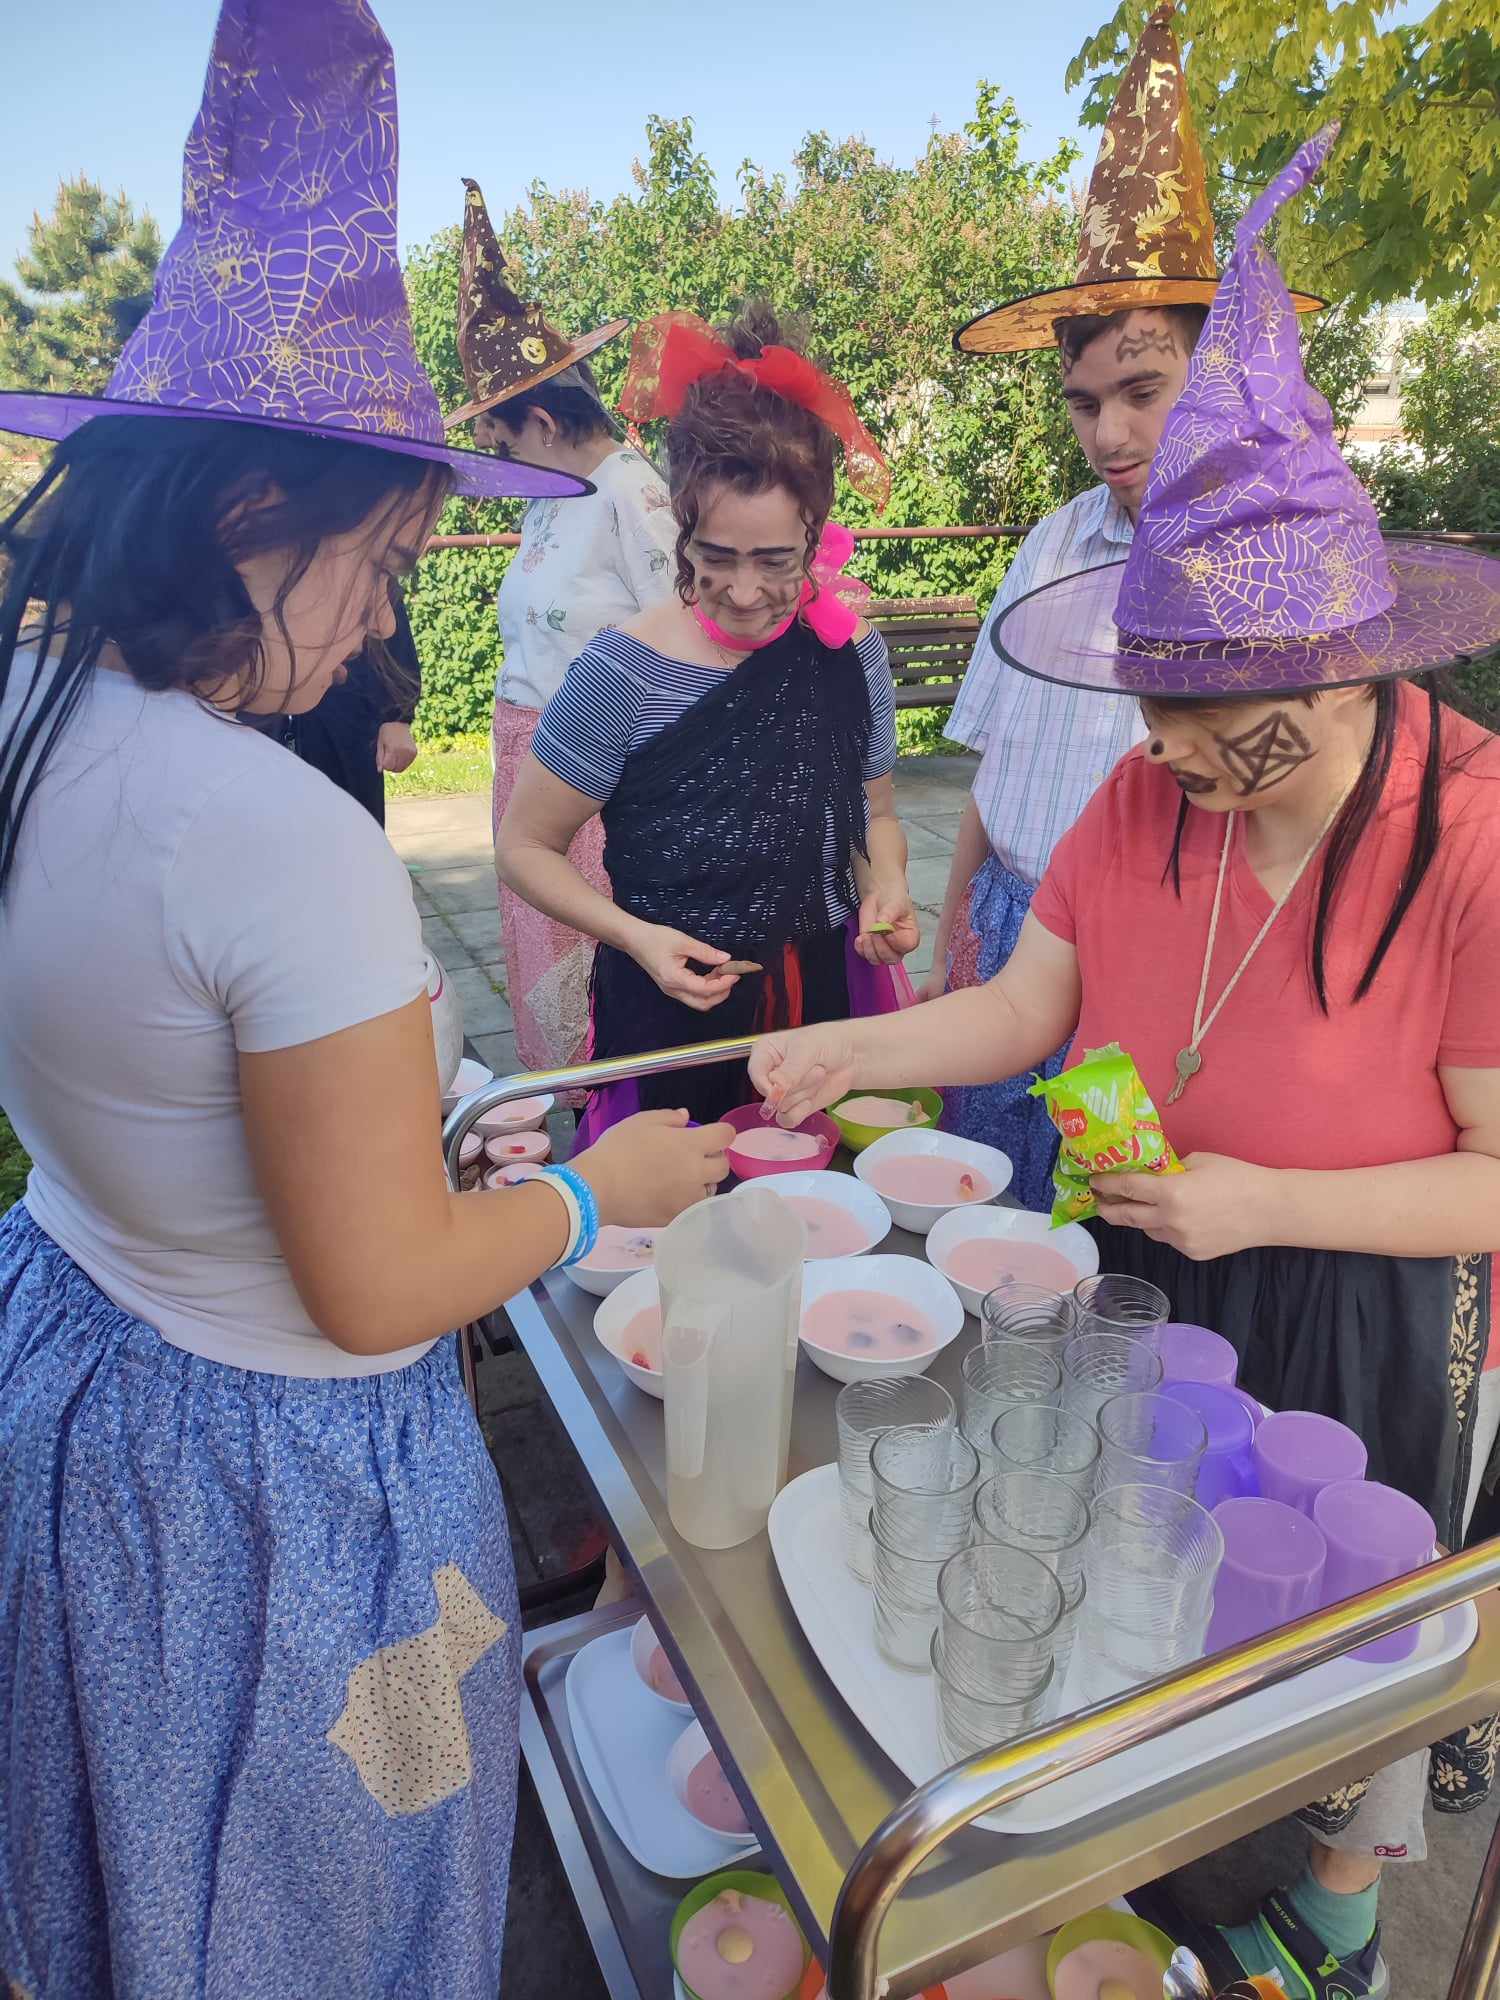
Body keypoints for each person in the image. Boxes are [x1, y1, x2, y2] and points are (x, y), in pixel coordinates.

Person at [0, 5, 730, 1995]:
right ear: (252, 513)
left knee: (148, 1874)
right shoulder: (269, 832)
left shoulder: (37, 704)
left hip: (88, 1388)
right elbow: (378, 1287)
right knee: (351, 1883)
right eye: (382, 561)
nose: (383, 622)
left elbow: (185, 1091)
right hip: (283, 1501)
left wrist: (414, 1129)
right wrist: (592, 1191)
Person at [751, 128, 1500, 2000]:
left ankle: (1338, 1903)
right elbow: (1024, 1013)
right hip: (1148, 1262)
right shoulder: (1154, 797)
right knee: (1139, 1607)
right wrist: (850, 1041)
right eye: (1146, 703)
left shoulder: (1472, 835)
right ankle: (1158, 1880)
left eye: (1197, 711)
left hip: (1348, 1293)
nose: (1157, 749)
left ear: (1333, 668)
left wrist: (1266, 1196)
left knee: (1328, 1636)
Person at [931, 3, 1323, 1210]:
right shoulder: (1052, 542)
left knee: (1116, 1239)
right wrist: (957, 924)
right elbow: (994, 765)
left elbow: (1300, 800)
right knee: (983, 1212)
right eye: (1084, 400)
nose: (1110, 433)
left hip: (1163, 954)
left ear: (1220, 365)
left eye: (1143, 390)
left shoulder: (1277, 568)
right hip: (1009, 926)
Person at [496, 304, 919, 1132]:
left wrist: (888, 889)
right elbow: (524, 848)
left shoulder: (852, 655)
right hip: (668, 1007)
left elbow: (875, 816)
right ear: (682, 528)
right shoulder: (622, 670)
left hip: (819, 1001)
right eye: (715, 558)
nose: (746, 591)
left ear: (818, 534)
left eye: (777, 561)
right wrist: (635, 937)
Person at [443, 180, 679, 1074]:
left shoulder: (630, 491)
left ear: (541, 421)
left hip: (597, 771)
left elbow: (678, 632)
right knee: (542, 950)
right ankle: (574, 1101)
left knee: (596, 970)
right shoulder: (551, 495)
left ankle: (609, 1103)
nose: (502, 458)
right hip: (530, 764)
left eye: (504, 440)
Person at [291, 581, 423, 828]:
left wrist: (397, 715)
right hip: (262, 723)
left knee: (353, 826)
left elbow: (387, 606)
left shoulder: (362, 567)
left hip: (349, 719)